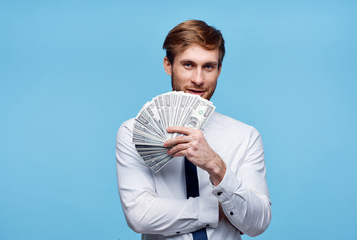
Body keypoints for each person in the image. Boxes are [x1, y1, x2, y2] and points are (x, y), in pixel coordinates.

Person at [116, 19, 271, 240]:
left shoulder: (245, 136)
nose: (198, 79)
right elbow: (139, 216)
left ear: (219, 70)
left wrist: (216, 166)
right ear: (168, 65)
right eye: (188, 65)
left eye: (208, 66)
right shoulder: (132, 133)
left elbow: (258, 223)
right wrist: (215, 210)